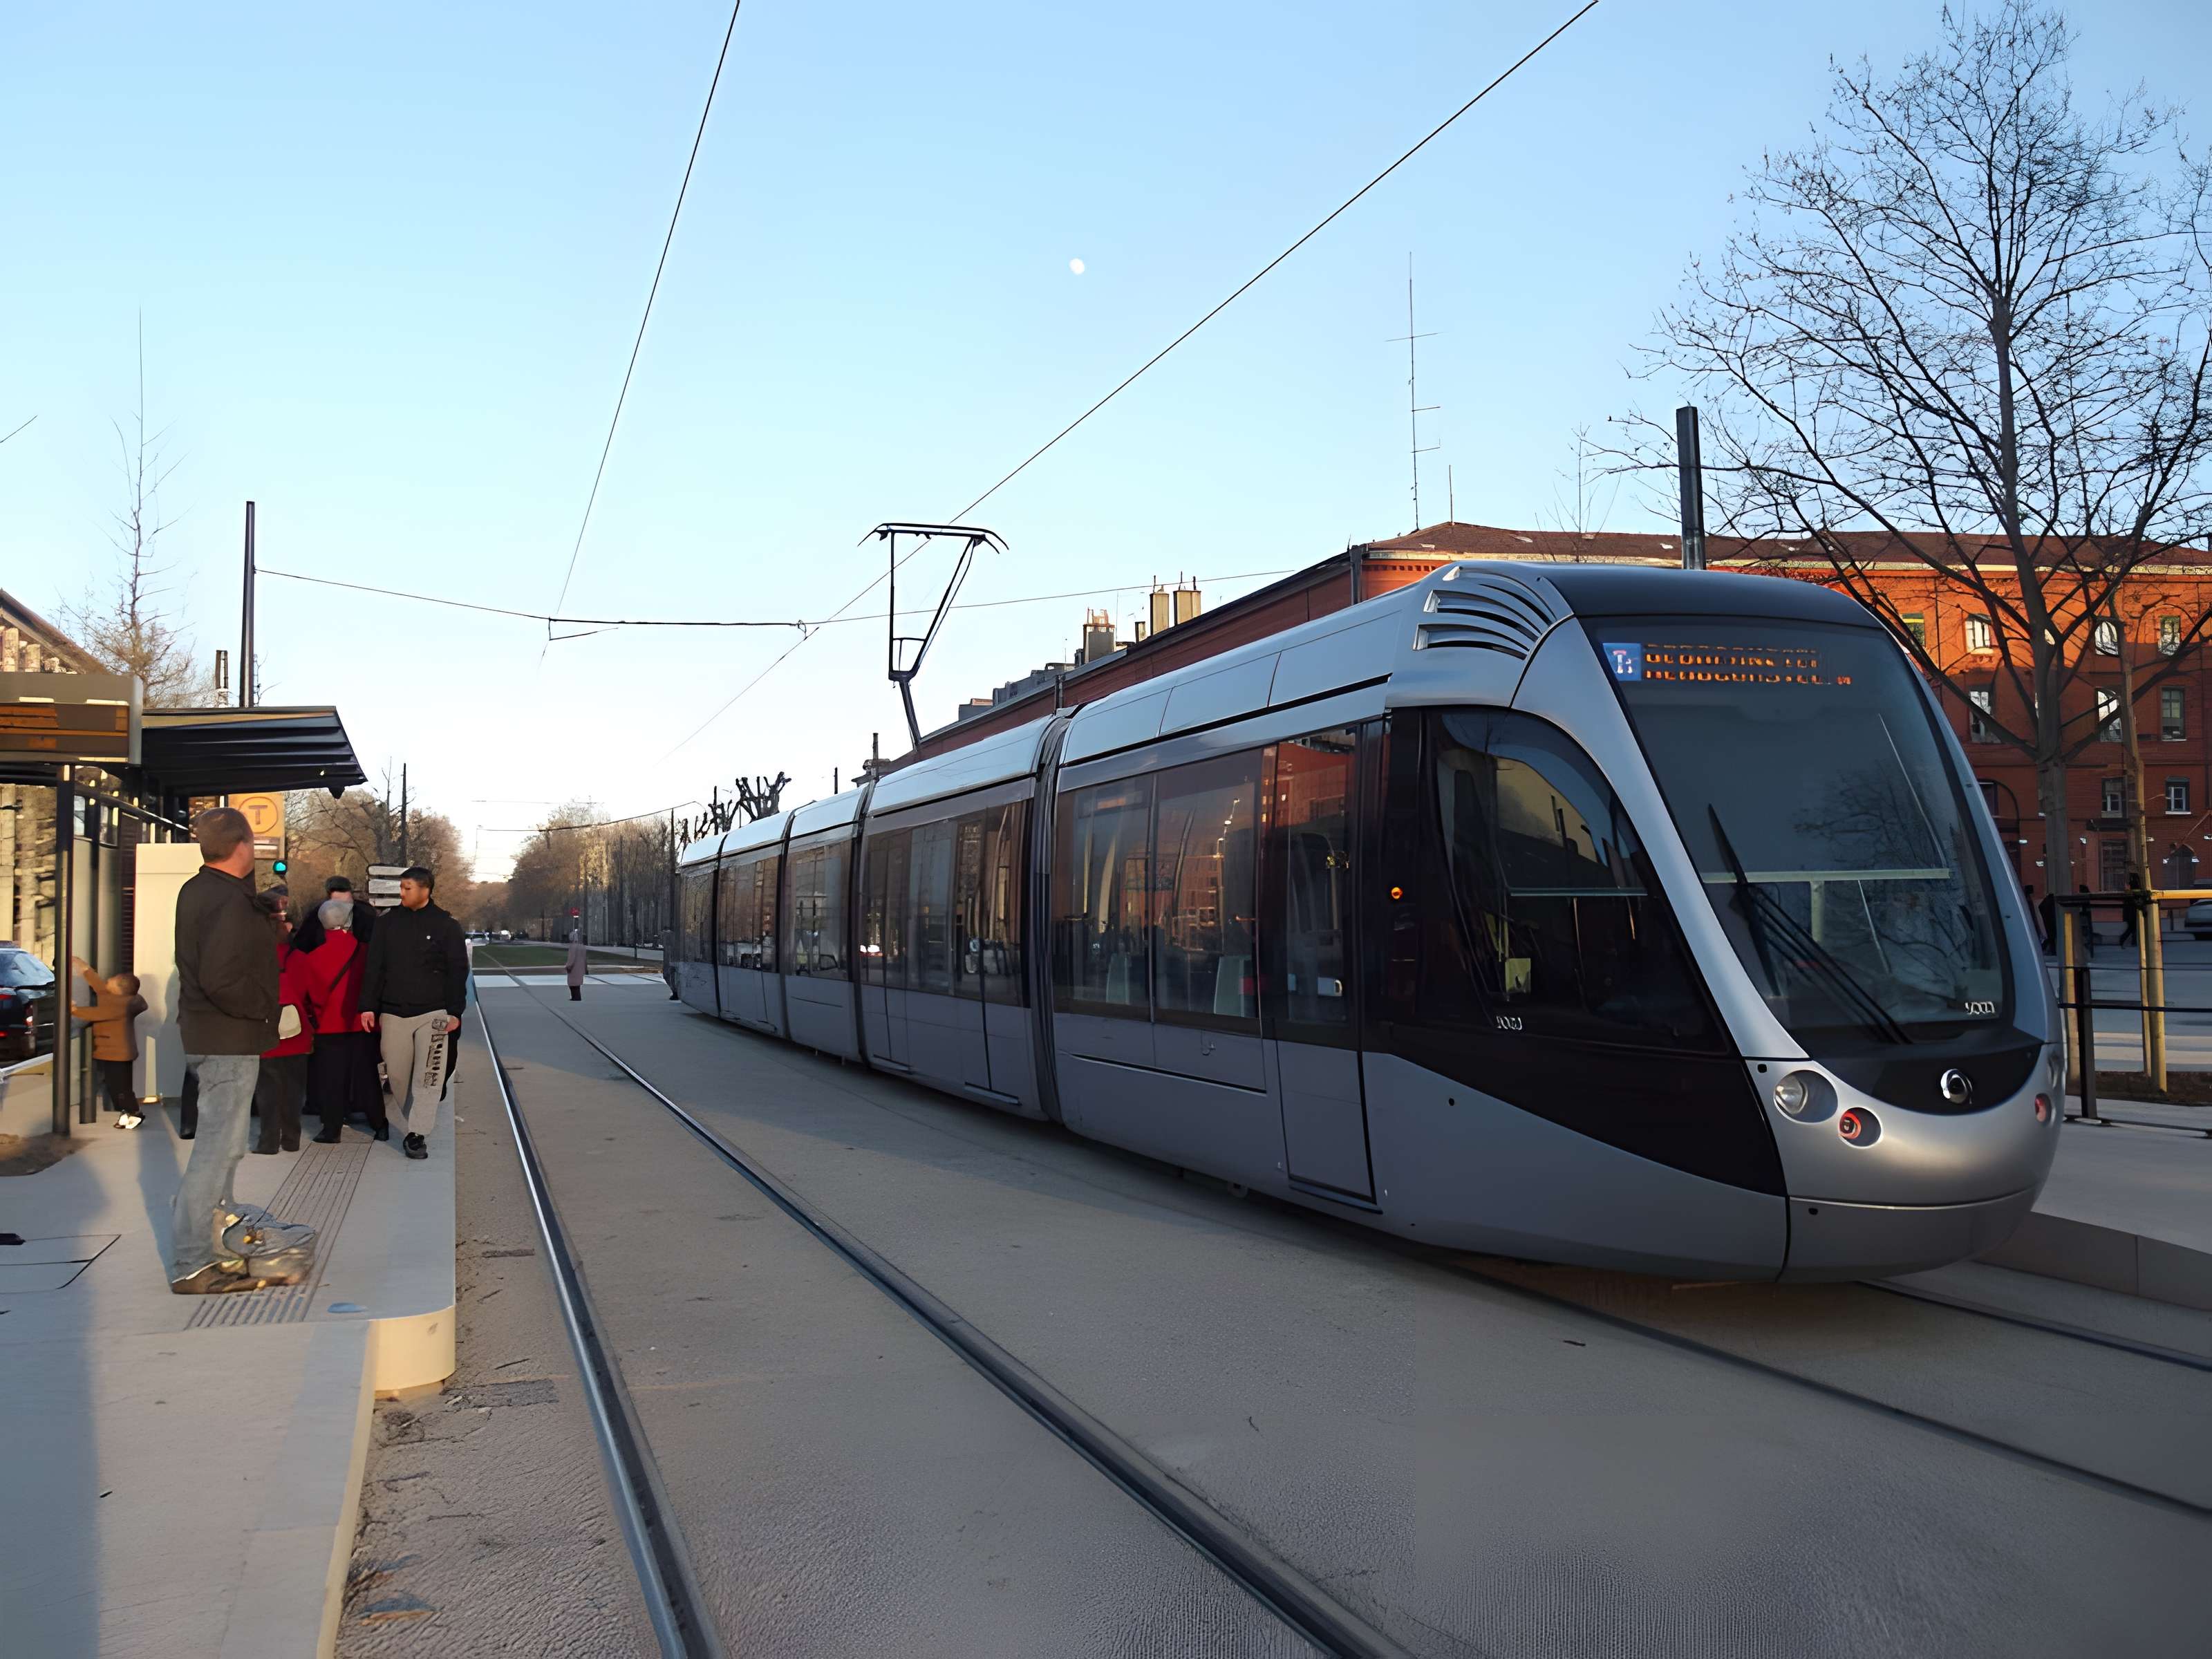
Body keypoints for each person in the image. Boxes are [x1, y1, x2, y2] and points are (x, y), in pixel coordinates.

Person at [169, 807, 283, 1294]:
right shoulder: (226, 901)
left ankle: (217, 1247)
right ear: (243, 845)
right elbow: (221, 976)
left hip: (214, 1036)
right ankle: (194, 1262)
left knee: (227, 1149)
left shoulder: (204, 891)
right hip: (228, 1037)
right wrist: (262, 1007)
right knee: (216, 1153)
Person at [359, 865, 467, 1162]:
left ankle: (417, 1133)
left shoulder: (447, 926)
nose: (401, 892)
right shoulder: (387, 923)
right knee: (397, 1073)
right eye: (401, 887)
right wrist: (367, 1005)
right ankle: (416, 1118)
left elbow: (458, 972)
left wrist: (455, 1012)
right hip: (393, 1012)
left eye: (407, 887)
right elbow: (374, 968)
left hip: (434, 1013)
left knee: (429, 1076)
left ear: (425, 890)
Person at [301, 897, 377, 1143]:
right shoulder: (365, 952)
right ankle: (379, 1123)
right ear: (348, 921)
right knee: (366, 1076)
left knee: (331, 1080)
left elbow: (309, 997)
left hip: (327, 1027)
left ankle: (331, 1128)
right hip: (360, 1024)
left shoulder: (311, 959)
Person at [252, 897, 314, 1155]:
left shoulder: (253, 961)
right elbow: (315, 994)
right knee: (294, 1089)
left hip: (265, 1030)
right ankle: (291, 1138)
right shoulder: (300, 958)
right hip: (298, 1032)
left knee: (267, 1090)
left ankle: (268, 1141)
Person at [70, 957, 148, 1128]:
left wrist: (74, 1009)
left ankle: (134, 1113)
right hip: (116, 1052)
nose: (108, 980)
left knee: (120, 1088)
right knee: (117, 1087)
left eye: (112, 981)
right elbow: (99, 987)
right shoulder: (118, 999)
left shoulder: (119, 1006)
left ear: (119, 990)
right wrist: (84, 968)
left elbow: (96, 1014)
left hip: (117, 1054)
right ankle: (126, 1115)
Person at [565, 928, 587, 1002]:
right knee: (577, 984)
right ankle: (577, 997)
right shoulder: (582, 946)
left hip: (574, 969)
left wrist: (568, 966)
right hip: (581, 968)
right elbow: (585, 959)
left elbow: (572, 958)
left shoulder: (572, 947)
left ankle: (575, 997)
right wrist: (585, 968)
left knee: (572, 984)